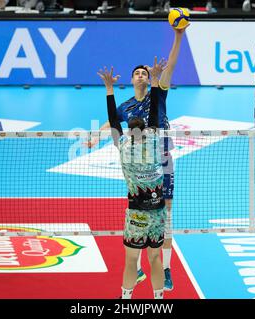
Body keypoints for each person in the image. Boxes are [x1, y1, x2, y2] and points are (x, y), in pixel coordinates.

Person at [88, 25, 189, 291]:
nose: (142, 75)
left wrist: (178, 36)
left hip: (163, 157)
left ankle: (165, 268)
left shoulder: (160, 92)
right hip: (141, 161)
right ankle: (141, 264)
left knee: (166, 211)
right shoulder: (127, 106)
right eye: (138, 73)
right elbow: (112, 121)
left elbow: (172, 65)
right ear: (132, 80)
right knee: (139, 202)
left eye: (145, 72)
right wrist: (95, 136)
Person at [99, 57, 167, 299]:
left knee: (131, 260)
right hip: (158, 212)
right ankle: (159, 300)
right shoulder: (157, 145)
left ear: (128, 131)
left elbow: (114, 119)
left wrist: (109, 89)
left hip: (136, 212)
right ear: (148, 131)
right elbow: (156, 111)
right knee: (155, 258)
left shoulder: (124, 147)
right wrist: (156, 79)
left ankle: (126, 299)